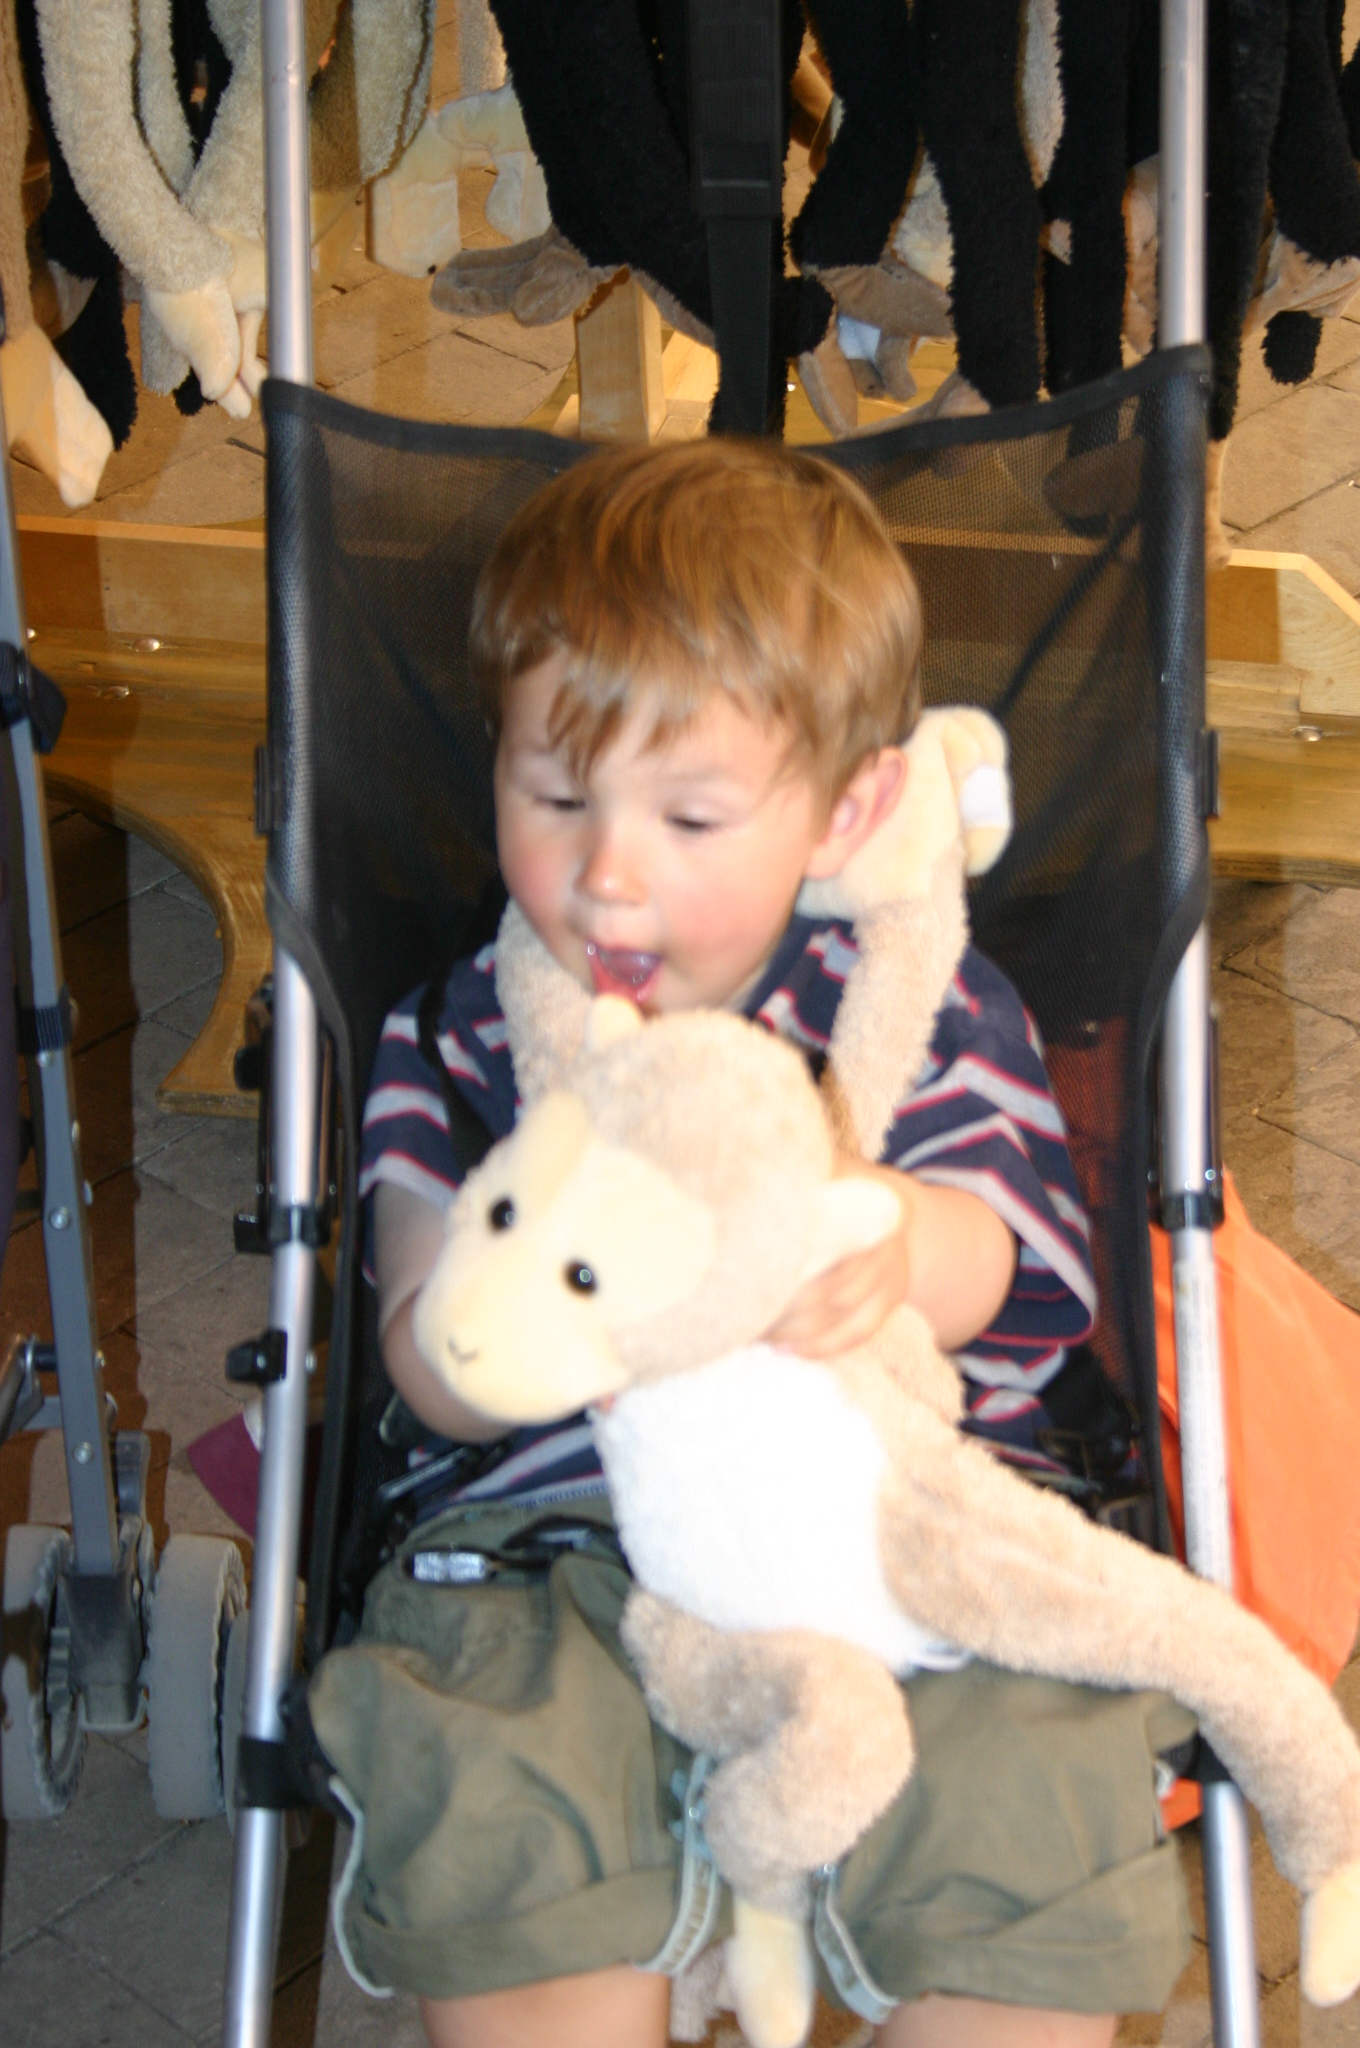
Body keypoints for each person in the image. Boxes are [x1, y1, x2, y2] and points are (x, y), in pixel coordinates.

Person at [308, 438, 1193, 2048]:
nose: (606, 872)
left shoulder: (908, 1010)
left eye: (692, 815)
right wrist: (521, 1326)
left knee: (1026, 1815)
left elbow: (1023, 1272)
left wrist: (895, 1244)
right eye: (554, 796)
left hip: (899, 1531)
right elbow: (425, 1341)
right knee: (498, 1797)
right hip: (548, 1541)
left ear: (846, 812)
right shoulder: (459, 1034)